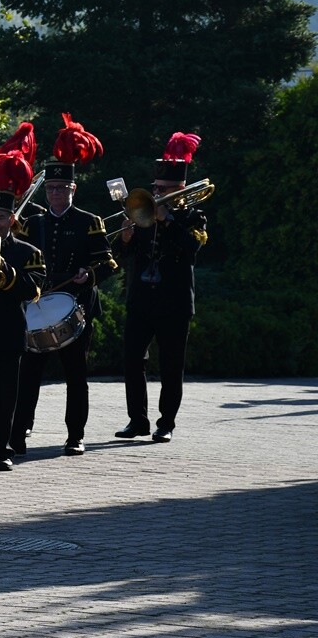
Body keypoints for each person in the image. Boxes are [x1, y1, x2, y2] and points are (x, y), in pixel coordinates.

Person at [11, 113, 117, 456]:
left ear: (73, 189)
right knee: (28, 373)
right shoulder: (33, 223)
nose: (56, 193)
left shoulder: (89, 222)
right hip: (40, 304)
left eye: (62, 188)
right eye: (51, 188)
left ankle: (75, 435)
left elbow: (109, 262)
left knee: (76, 375)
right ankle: (19, 431)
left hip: (77, 305)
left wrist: (90, 274)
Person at [114, 133, 208, 443]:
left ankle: (166, 422)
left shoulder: (194, 217)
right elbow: (121, 256)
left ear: (180, 189)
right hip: (141, 300)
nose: (156, 193)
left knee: (171, 366)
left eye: (163, 189)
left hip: (175, 303)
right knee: (132, 361)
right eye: (155, 188)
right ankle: (137, 420)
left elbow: (191, 250)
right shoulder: (142, 215)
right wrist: (125, 239)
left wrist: (167, 220)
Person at [0, 155, 45, 472]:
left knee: (2, 398)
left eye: (0, 217)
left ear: (12, 219)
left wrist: (3, 269)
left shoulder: (28, 252)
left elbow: (32, 289)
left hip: (7, 333)